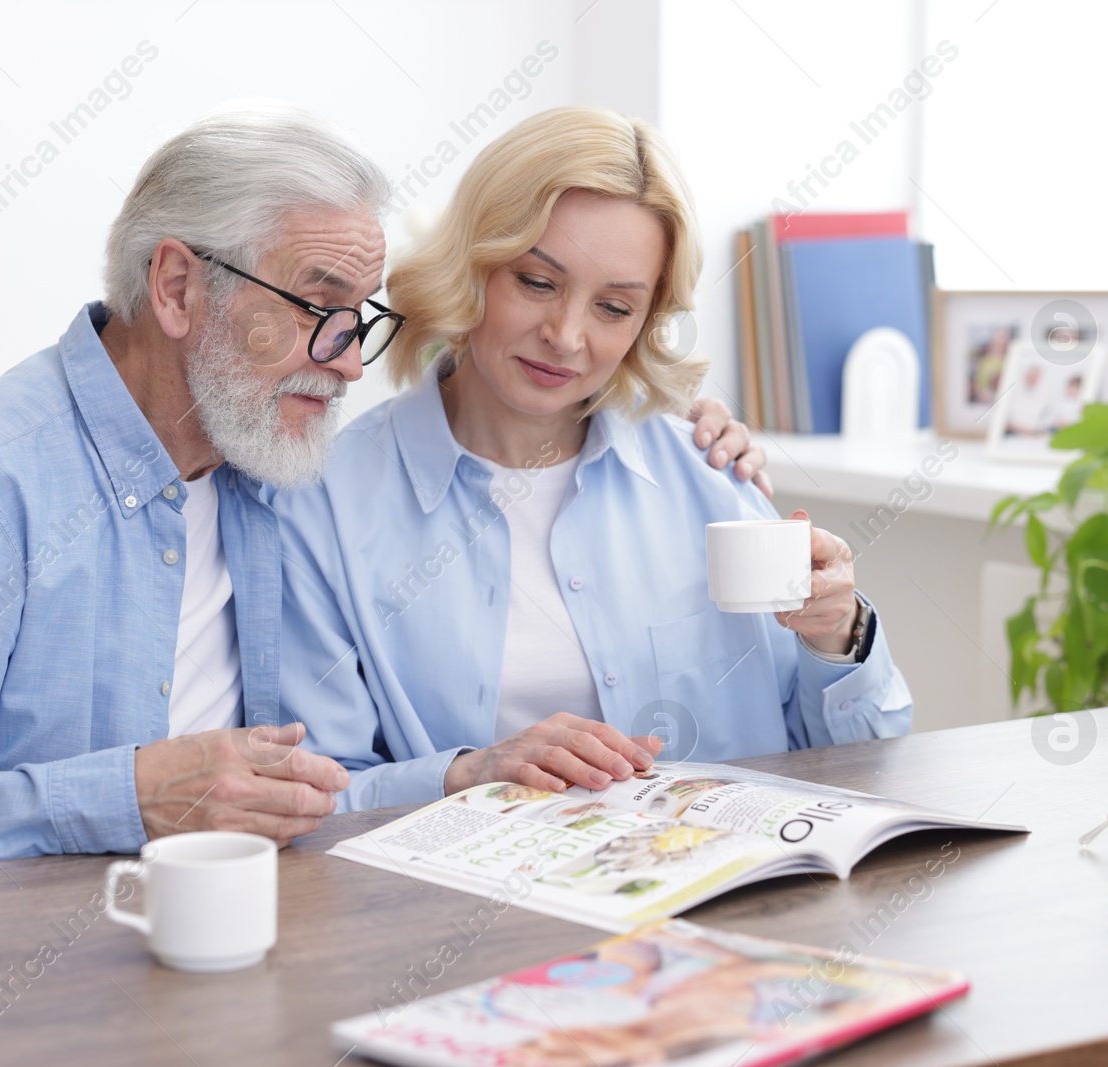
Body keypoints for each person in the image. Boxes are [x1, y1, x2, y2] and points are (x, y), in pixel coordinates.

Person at [0, 104, 764, 894]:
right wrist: (125, 797)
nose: (348, 364)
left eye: (356, 319)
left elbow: (303, 791)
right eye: (317, 305)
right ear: (177, 288)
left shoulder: (271, 481)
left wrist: (467, 771)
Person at [275, 107, 912, 812]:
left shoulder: (705, 469)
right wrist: (467, 770)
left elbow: (862, 760)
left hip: (721, 889)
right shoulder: (324, 501)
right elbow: (313, 792)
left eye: (613, 307)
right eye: (537, 283)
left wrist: (837, 635)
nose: (566, 336)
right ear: (474, 265)